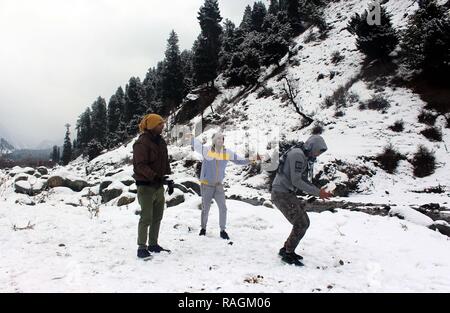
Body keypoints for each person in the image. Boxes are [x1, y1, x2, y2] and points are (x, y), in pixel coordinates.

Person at [271, 135, 333, 266]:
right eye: (318, 151)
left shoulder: (301, 154)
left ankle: (286, 249)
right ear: (311, 146)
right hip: (281, 193)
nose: (317, 154)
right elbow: (296, 180)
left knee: (303, 222)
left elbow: (301, 179)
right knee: (301, 223)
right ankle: (288, 253)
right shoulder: (298, 155)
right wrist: (318, 192)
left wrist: (317, 191)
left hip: (286, 192)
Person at [189, 131, 259, 240]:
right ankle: (203, 228)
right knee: (205, 209)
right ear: (213, 141)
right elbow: (197, 146)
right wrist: (192, 138)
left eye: (222, 139)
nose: (220, 140)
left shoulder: (227, 153)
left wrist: (251, 160)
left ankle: (222, 230)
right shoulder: (207, 151)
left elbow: (239, 161)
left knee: (223, 208)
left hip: (218, 186)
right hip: (207, 185)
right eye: (218, 138)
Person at [133, 114, 174, 259]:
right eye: (159, 124)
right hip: (145, 186)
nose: (162, 126)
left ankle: (153, 244)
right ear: (151, 125)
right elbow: (140, 165)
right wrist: (155, 176)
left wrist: (167, 178)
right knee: (146, 217)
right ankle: (141, 247)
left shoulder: (161, 141)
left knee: (157, 217)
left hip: (158, 186)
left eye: (162, 124)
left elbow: (164, 162)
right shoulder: (141, 143)